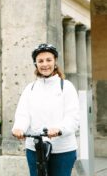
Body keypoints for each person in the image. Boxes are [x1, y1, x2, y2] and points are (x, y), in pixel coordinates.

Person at [12, 43, 80, 176]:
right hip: (35, 148)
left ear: (55, 62)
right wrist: (19, 128)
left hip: (62, 149)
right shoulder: (30, 88)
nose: (45, 64)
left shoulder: (66, 87)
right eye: (40, 61)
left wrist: (60, 129)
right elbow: (23, 114)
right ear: (35, 64)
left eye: (48, 60)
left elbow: (73, 117)